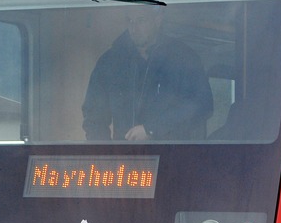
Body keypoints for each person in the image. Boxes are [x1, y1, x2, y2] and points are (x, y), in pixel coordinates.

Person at [82, 8, 212, 141]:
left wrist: (152, 129)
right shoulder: (110, 62)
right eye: (130, 21)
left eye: (141, 21)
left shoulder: (183, 58)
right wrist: (105, 154)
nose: (134, 28)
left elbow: (202, 104)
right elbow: (93, 117)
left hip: (172, 157)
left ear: (158, 19)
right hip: (125, 159)